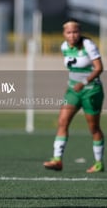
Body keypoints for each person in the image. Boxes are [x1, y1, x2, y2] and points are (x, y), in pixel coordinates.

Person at [43, 20, 105, 173]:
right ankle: (57, 160)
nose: (72, 35)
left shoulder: (88, 45)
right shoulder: (64, 47)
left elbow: (99, 68)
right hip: (73, 91)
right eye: (69, 32)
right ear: (64, 34)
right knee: (62, 122)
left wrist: (83, 82)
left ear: (80, 32)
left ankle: (98, 162)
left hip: (91, 90)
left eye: (75, 32)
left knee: (94, 128)